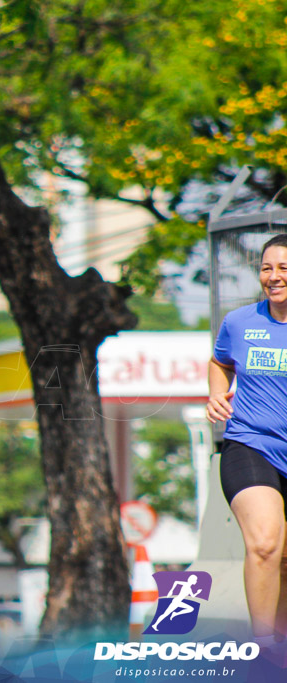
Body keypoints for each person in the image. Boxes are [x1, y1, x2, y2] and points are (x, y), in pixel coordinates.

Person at [207, 233, 287, 651]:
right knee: (265, 543)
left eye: (284, 268)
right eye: (266, 267)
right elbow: (220, 362)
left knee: (285, 560)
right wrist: (216, 392)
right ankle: (261, 650)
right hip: (250, 444)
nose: (273, 277)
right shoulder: (240, 323)